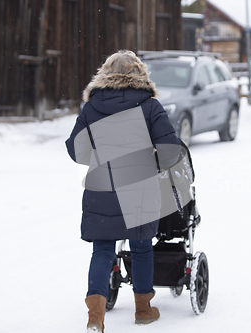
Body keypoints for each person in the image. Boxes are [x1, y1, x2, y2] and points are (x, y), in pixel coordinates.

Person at [65, 50, 181, 332]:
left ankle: (95, 316)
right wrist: (152, 161)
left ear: (104, 74)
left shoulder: (91, 108)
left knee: (102, 249)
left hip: (101, 185)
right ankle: (143, 309)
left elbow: (75, 149)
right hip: (139, 185)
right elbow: (170, 151)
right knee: (141, 247)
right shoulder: (150, 106)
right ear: (140, 74)